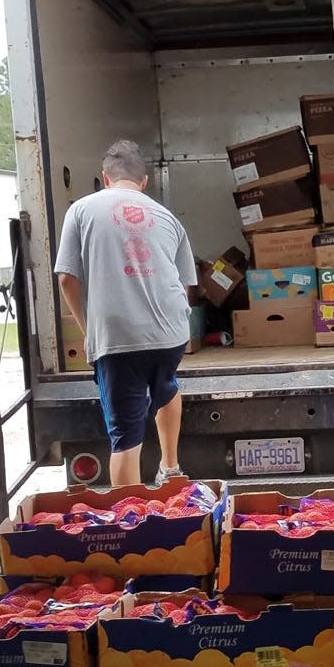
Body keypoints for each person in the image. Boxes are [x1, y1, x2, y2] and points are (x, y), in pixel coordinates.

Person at [55, 139, 197, 487]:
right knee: (166, 384)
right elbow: (187, 284)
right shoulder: (166, 216)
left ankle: (133, 530)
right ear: (144, 182)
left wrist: (88, 328)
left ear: (105, 178)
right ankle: (170, 466)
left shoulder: (81, 210)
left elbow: (66, 279)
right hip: (171, 335)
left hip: (119, 339)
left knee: (126, 441)